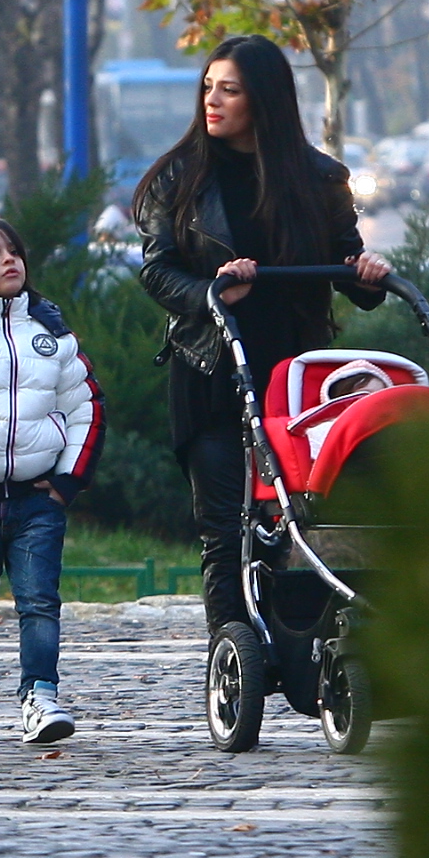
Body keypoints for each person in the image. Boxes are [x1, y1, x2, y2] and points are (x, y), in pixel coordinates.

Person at [132, 34, 390, 635]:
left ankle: (302, 640)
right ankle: (233, 653)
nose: (211, 102)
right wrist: (211, 292)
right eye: (207, 87)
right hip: (211, 370)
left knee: (297, 516)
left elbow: (350, 270)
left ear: (265, 100)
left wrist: (370, 275)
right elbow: (156, 269)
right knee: (223, 527)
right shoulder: (179, 177)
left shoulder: (319, 179)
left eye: (229, 90)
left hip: (295, 379)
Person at [0, 215, 99, 747]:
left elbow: (85, 406)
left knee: (39, 603)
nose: (8, 261)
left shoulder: (50, 335)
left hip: (37, 501)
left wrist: (69, 480)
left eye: (13, 251)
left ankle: (41, 696)